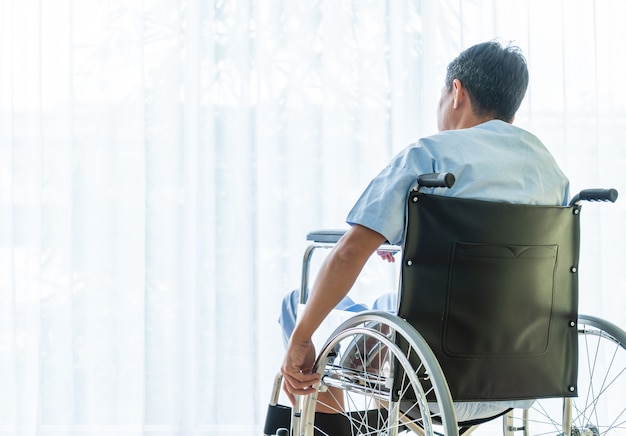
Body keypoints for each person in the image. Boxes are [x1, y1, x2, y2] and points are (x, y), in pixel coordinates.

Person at [279, 40, 570, 426]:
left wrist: (301, 339)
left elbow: (350, 252)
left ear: (456, 92)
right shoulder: (549, 171)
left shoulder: (430, 154)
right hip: (520, 379)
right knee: (387, 301)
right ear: (511, 116)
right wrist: (408, 240)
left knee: (297, 302)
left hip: (429, 376)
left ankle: (330, 429)